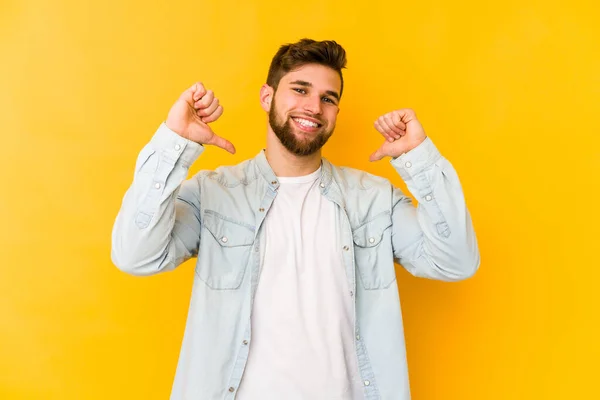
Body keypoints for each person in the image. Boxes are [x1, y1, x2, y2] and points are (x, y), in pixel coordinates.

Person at [111, 38, 480, 400]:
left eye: (328, 98)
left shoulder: (373, 200)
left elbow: (456, 262)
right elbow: (135, 255)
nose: (314, 107)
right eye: (300, 89)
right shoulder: (214, 194)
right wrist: (175, 142)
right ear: (267, 97)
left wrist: (419, 158)